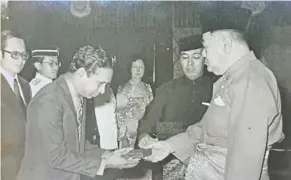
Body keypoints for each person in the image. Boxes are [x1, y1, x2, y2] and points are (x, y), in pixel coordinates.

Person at [142, 29, 284, 180]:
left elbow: (245, 158)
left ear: (226, 44)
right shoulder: (228, 80)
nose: (203, 54)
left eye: (206, 46)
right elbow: (204, 130)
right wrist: (168, 146)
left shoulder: (250, 81)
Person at [17, 45, 141, 180]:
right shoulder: (49, 100)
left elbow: (75, 145)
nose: (102, 91)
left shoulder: (80, 96)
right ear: (81, 73)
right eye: (100, 83)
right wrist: (107, 163)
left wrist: (108, 154)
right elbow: (56, 157)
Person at [137, 35, 213, 179]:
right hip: (170, 164)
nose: (190, 64)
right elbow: (149, 119)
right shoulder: (167, 89)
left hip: (207, 164)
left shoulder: (216, 88)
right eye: (185, 57)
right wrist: (144, 135)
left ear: (204, 59)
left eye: (196, 57)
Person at [1, 29, 32, 180]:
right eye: (14, 54)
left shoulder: (25, 86)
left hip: (24, 167)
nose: (21, 60)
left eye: (24, 55)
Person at [116, 57, 153, 149]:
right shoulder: (123, 88)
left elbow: (152, 110)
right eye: (135, 67)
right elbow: (119, 114)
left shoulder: (148, 87)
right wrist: (122, 135)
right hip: (129, 132)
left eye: (141, 67)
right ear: (130, 69)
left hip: (145, 130)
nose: (138, 70)